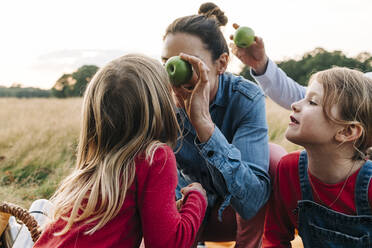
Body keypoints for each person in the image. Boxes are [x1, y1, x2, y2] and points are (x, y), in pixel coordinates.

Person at [32, 54, 207, 248]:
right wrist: (197, 198)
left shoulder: (93, 168)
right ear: (160, 105)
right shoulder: (155, 157)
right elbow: (166, 245)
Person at [162, 2, 281, 247]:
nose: (175, 72)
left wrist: (204, 126)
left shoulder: (245, 99)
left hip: (235, 209)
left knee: (274, 156)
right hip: (186, 212)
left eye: (190, 61)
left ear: (222, 63)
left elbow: (252, 201)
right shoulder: (159, 102)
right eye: (168, 62)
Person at [263, 67, 372, 247]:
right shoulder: (288, 169)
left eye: (312, 102)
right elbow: (274, 237)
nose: (295, 104)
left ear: (347, 131)